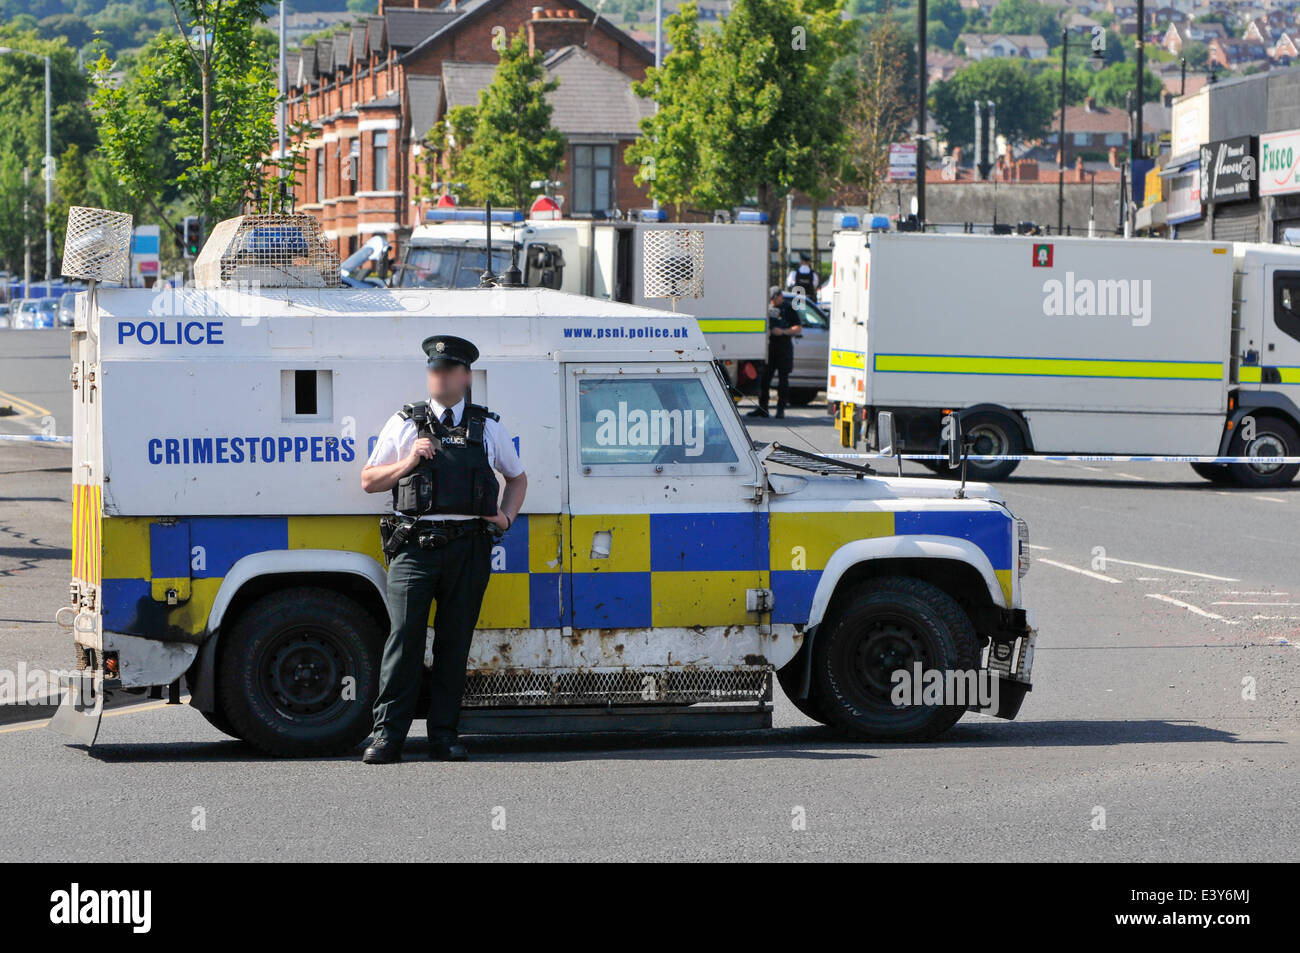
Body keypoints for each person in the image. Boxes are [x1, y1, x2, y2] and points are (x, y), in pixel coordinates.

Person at [359, 334, 527, 763]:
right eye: (434, 368)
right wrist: (409, 461)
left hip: (469, 548)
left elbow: (517, 478)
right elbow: (369, 481)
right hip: (414, 549)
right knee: (403, 644)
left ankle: (445, 737)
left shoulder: (487, 425)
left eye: (449, 368)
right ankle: (387, 737)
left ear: (466, 376)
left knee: (454, 645)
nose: (440, 374)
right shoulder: (405, 423)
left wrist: (505, 519)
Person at [747, 287, 801, 419]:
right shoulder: (766, 308)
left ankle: (780, 410)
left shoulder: (788, 308)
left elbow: (798, 328)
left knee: (783, 381)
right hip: (769, 349)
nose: (773, 301)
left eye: (774, 298)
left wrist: (783, 331)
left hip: (784, 349)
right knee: (764, 381)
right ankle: (763, 408)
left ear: (779, 296)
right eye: (771, 299)